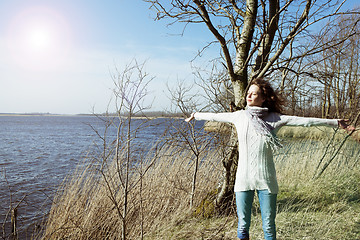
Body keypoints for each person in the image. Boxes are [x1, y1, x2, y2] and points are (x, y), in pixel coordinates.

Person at [185, 78, 354, 240]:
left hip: (266, 180)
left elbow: (304, 121)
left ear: (264, 98)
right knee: (243, 225)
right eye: (248, 93)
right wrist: (195, 114)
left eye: (254, 93)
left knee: (268, 225)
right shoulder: (240, 116)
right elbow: (215, 116)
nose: (249, 96)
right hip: (243, 180)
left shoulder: (275, 119)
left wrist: (335, 123)